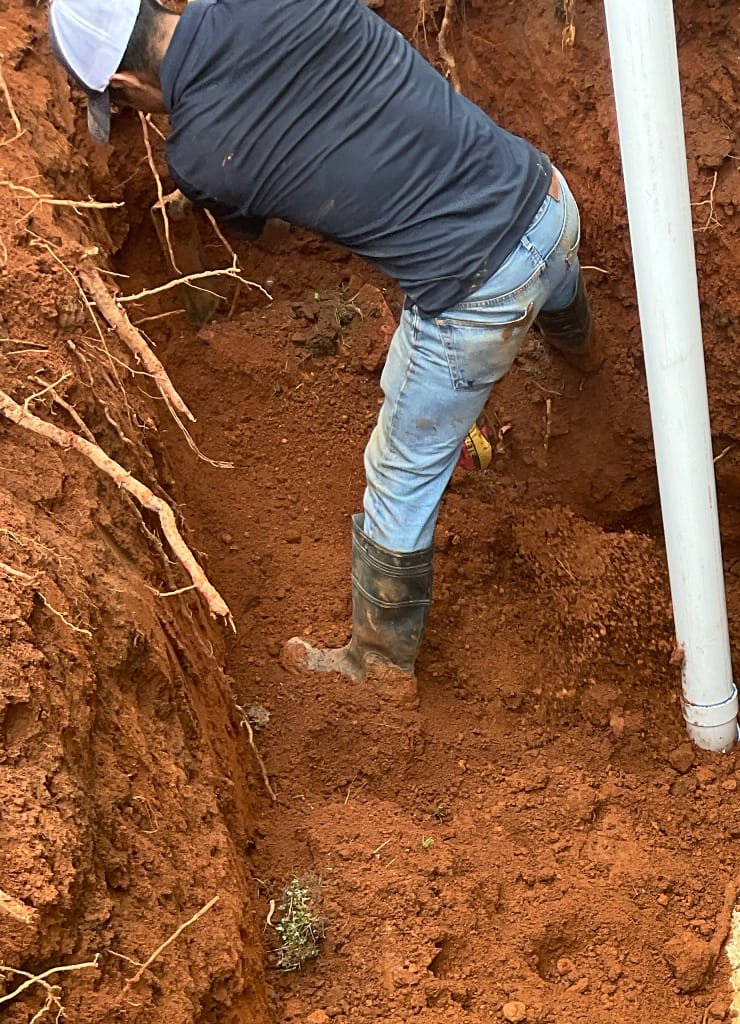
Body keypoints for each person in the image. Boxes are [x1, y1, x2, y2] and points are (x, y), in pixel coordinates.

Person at [47, 0, 600, 685]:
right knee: (551, 267)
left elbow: (263, 227)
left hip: (476, 296)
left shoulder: (199, 155)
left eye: (128, 108)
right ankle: (582, 352)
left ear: (126, 87)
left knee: (399, 472)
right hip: (545, 196)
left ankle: (378, 662)